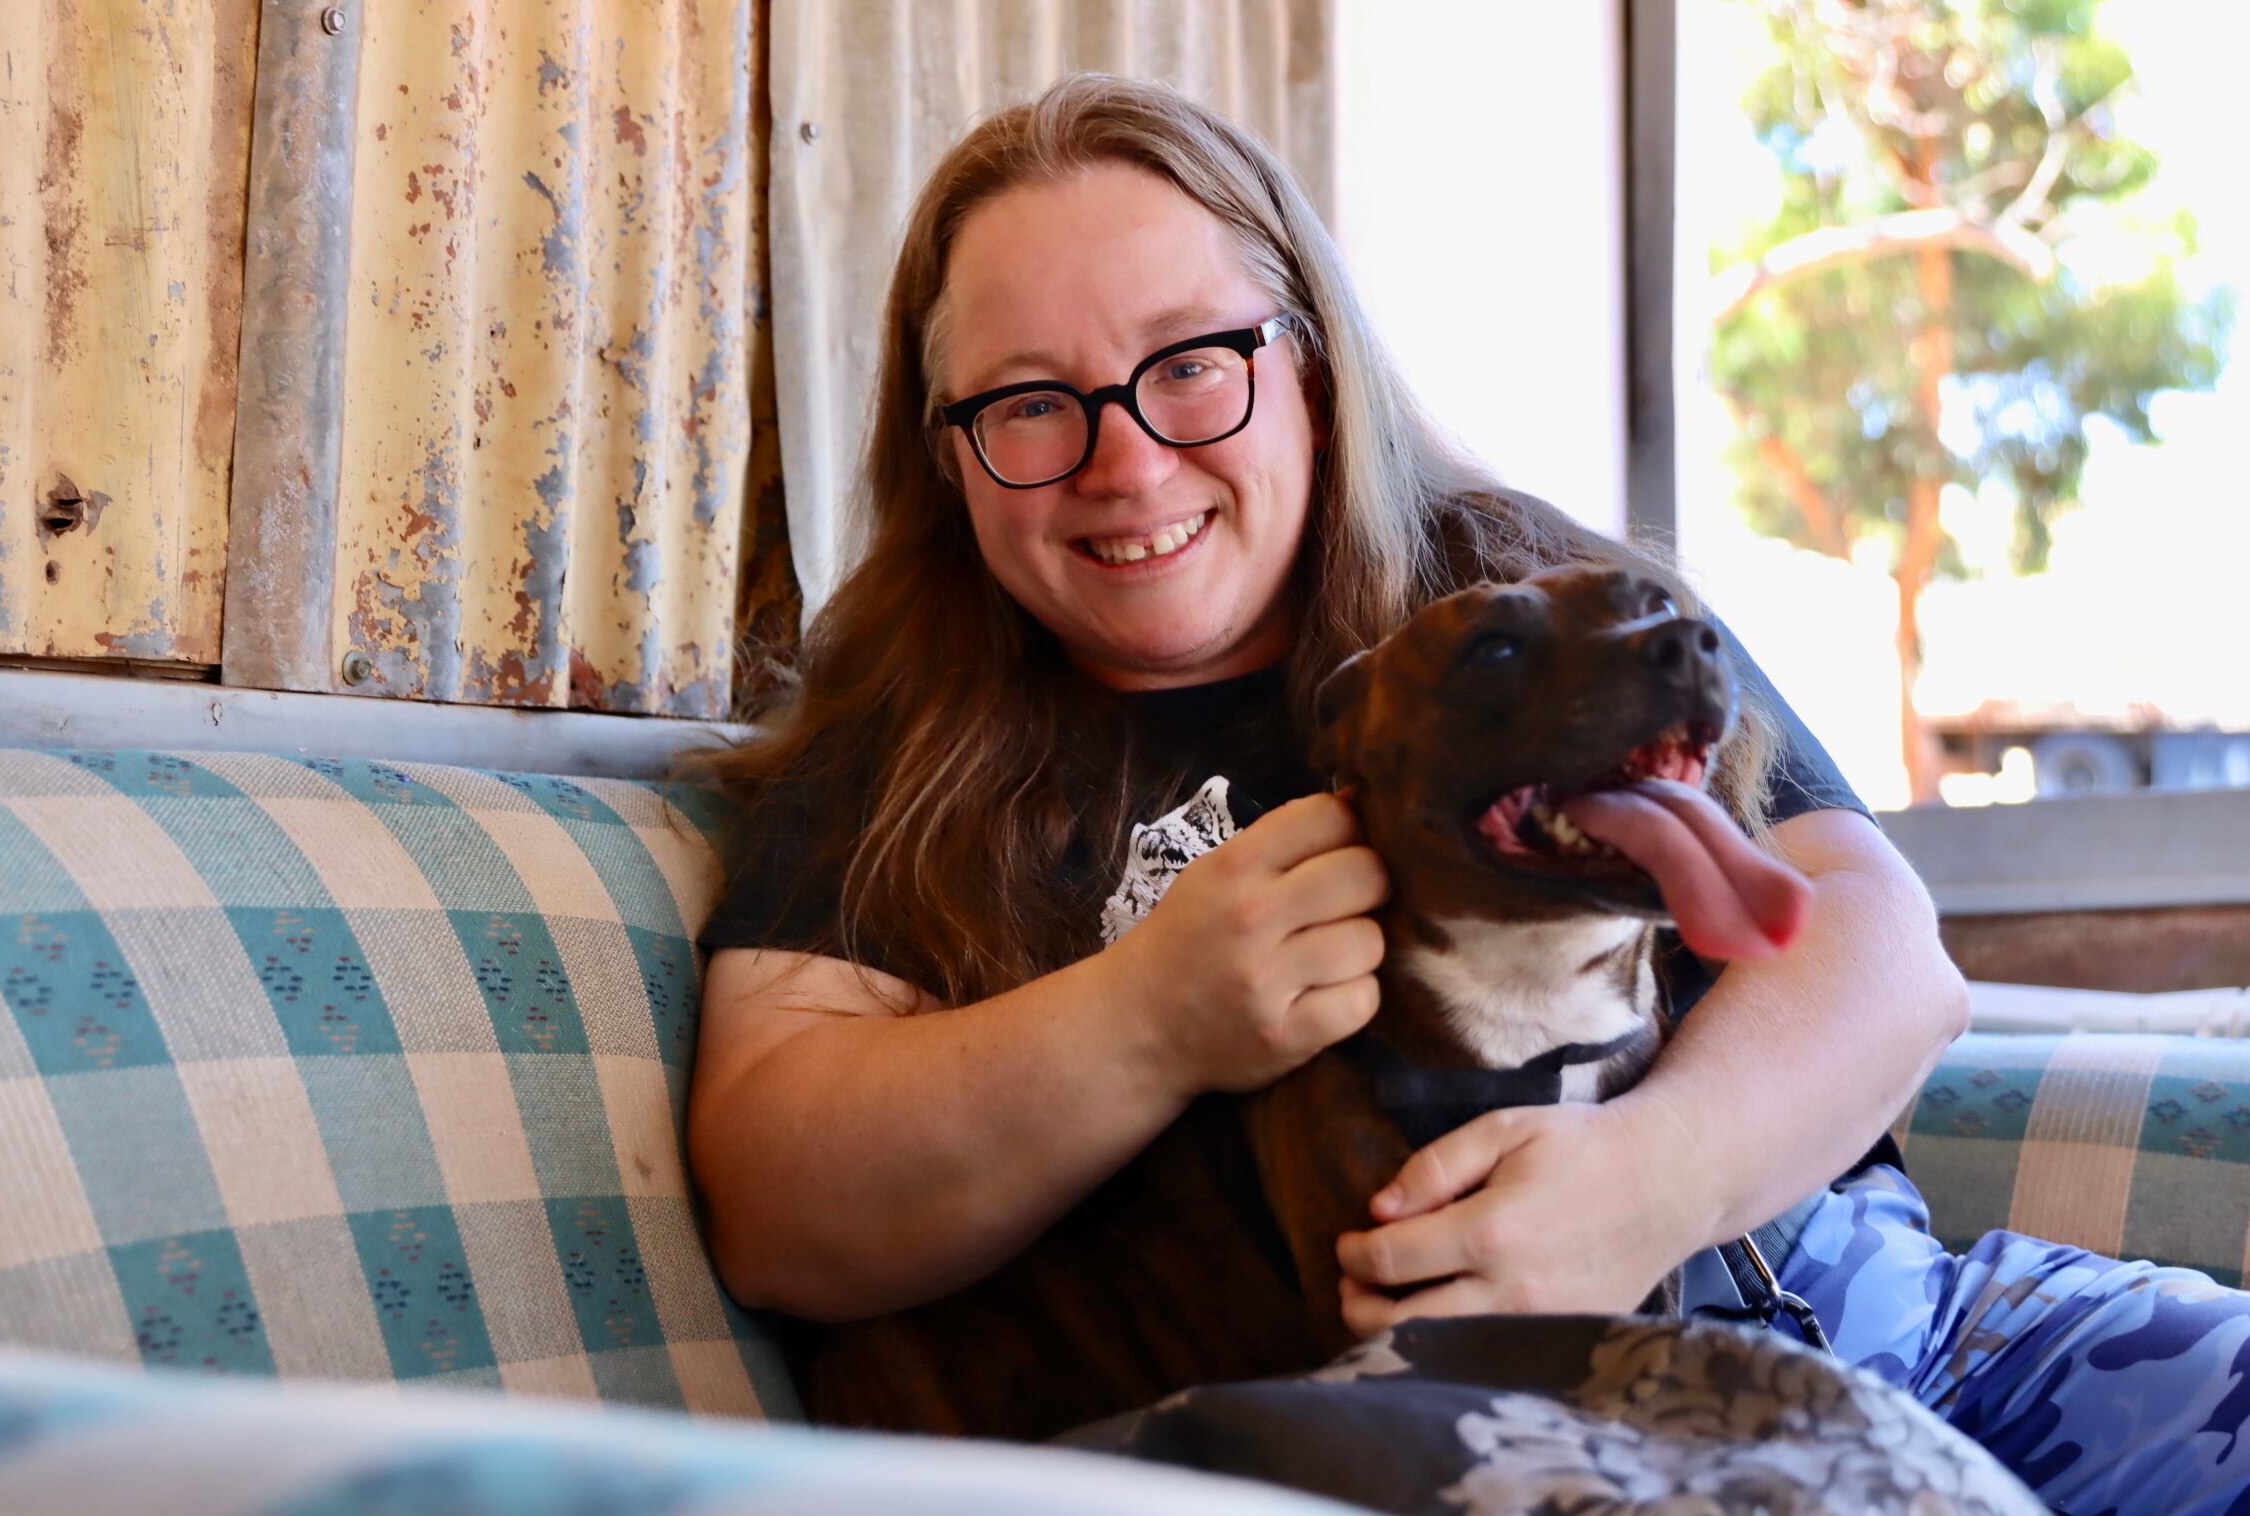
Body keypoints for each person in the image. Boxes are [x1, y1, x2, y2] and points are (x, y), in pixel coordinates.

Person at [686, 73, 2250, 1513]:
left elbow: (1878, 943)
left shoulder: (1531, 598)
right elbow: (775, 1193)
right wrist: (1145, 1016)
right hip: (1480, 1426)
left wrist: (1655, 1179)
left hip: (1905, 1320)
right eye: (1029, 401)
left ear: (1304, 359)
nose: (1129, 457)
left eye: (1192, 363)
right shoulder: (894, 745)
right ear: (944, 448)